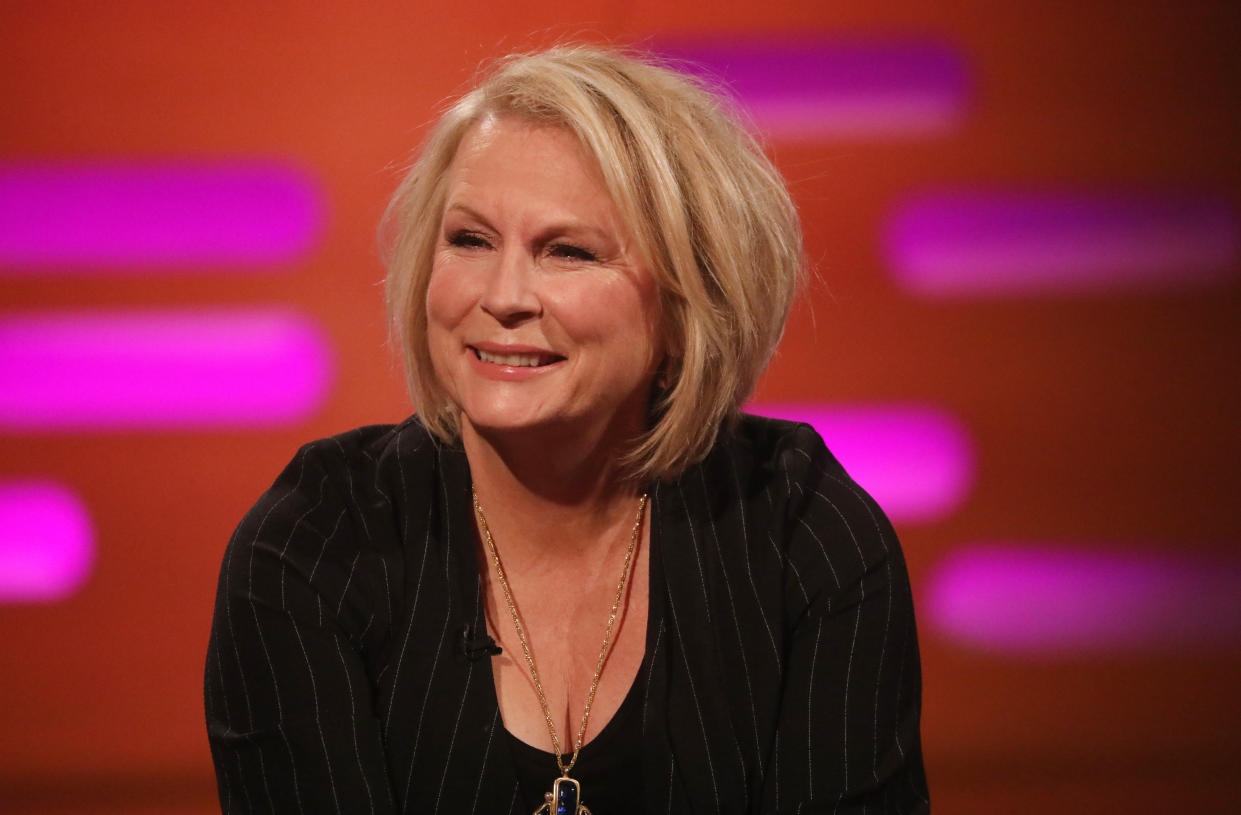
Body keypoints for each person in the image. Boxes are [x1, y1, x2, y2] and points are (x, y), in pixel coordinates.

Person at [205, 44, 928, 815]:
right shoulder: (315, 543)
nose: (504, 294)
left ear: (689, 308)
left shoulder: (804, 539)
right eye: (470, 240)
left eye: (567, 251)